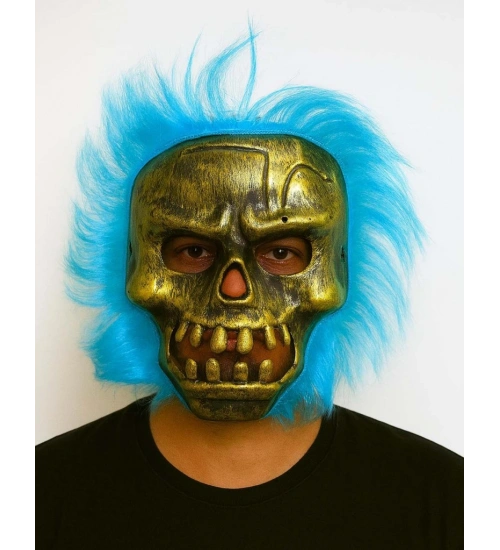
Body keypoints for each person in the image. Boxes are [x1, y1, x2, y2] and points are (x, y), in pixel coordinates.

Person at [34, 36, 463, 549]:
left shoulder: (451, 501)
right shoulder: (35, 497)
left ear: (340, 268)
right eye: (193, 250)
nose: (234, 288)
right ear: (134, 264)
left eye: (280, 252)